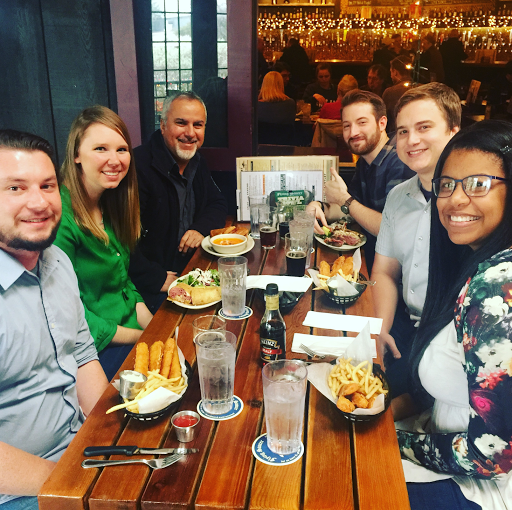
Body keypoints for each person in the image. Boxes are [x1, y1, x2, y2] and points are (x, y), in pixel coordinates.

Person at [396, 119, 512, 510]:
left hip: (483, 487)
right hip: (442, 440)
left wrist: (394, 441)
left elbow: (492, 455)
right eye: (446, 185)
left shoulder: (497, 285)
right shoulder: (476, 263)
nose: (455, 199)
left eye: (478, 184)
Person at [0, 129, 108, 508]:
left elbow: (83, 355)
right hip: (19, 491)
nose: (39, 202)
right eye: (15, 188)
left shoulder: (57, 262)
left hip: (78, 453)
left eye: (47, 186)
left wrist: (108, 438)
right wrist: (72, 483)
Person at [372, 83, 461, 398]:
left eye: (424, 127)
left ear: (453, 131)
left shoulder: (471, 203)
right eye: (403, 131)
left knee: (382, 407)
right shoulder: (398, 196)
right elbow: (384, 271)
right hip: (405, 323)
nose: (412, 140)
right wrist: (380, 329)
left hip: (453, 339)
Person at [54, 106, 152, 381]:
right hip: (96, 351)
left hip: (131, 333)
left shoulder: (111, 203)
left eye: (122, 149)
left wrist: (157, 328)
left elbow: (124, 286)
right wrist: (143, 337)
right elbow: (73, 317)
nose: (115, 160)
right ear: (76, 154)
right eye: (100, 149)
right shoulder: (60, 218)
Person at [129, 92, 228, 313]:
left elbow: (218, 203)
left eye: (198, 125)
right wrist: (154, 278)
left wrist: (199, 229)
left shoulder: (196, 161)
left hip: (190, 270)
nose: (190, 133)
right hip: (151, 287)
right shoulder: (138, 166)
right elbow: (121, 238)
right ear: (163, 125)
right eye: (181, 123)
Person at [306, 90, 414, 271]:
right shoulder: (365, 161)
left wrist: (344, 199)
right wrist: (318, 207)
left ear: (382, 123)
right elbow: (351, 210)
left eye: (362, 122)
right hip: (371, 260)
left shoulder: (400, 161)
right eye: (346, 126)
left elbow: (393, 229)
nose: (353, 132)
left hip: (397, 273)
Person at [382, 56, 413, 134]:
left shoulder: (390, 92)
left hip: (396, 134)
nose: (391, 76)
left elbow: (384, 118)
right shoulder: (421, 88)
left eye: (391, 72)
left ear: (395, 72)